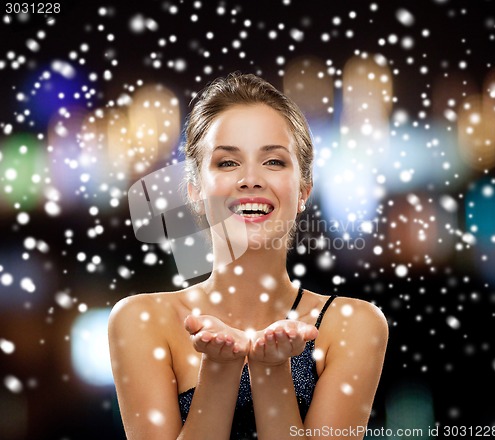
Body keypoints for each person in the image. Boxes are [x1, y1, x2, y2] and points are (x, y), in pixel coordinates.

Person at [108, 72, 388, 440]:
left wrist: (272, 368)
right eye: (227, 163)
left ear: (303, 189)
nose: (251, 179)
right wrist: (220, 367)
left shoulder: (353, 325)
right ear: (194, 190)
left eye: (273, 162)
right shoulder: (140, 320)